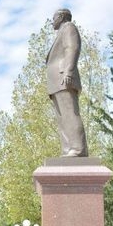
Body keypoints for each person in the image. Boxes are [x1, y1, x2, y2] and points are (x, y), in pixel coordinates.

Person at [46, 8, 88, 157]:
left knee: (70, 114)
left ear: (62, 16)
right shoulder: (61, 32)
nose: (52, 21)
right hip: (56, 82)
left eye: (54, 17)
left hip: (64, 77)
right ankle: (68, 149)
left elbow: (72, 48)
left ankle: (77, 148)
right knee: (62, 118)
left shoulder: (69, 27)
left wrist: (69, 71)